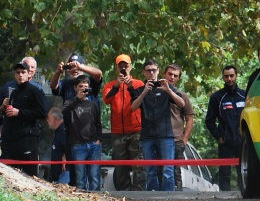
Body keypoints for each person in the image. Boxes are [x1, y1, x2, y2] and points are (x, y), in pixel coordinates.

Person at [130, 60, 185, 191]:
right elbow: (133, 107)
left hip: (165, 134)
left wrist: (168, 90)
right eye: (148, 70)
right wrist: (144, 92)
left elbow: (182, 104)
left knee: (168, 169)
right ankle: (152, 196)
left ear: (158, 71)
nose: (152, 73)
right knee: (150, 169)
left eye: (154, 70)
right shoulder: (139, 89)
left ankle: (168, 197)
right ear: (144, 72)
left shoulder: (166, 87)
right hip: (147, 135)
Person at [103, 54, 146, 191]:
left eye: (125, 66)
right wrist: (117, 85)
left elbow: (142, 101)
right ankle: (124, 193)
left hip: (135, 130)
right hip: (117, 131)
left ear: (131, 67)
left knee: (138, 164)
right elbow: (107, 100)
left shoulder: (139, 84)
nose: (123, 69)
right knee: (120, 165)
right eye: (120, 66)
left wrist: (129, 85)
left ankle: (139, 192)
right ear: (116, 68)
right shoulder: (110, 85)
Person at [0, 62, 49, 177]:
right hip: (11, 141)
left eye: (23, 72)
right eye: (18, 72)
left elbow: (42, 113)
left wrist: (19, 112)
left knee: (29, 176)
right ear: (14, 75)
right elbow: (8, 116)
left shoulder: (35, 91)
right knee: (7, 175)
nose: (20, 75)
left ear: (29, 74)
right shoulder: (14, 92)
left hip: (28, 140)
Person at [205, 65, 246, 191]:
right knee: (224, 173)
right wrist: (219, 137)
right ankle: (224, 199)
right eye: (226, 76)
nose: (229, 79)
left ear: (236, 76)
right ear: (223, 77)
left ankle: (246, 195)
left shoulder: (245, 95)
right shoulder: (217, 97)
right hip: (226, 141)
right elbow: (209, 121)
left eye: (231, 76)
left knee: (244, 171)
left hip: (243, 142)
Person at [61, 75, 103, 191]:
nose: (83, 89)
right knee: (80, 178)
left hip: (93, 144)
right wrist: (77, 99)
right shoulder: (70, 102)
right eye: (80, 86)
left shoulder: (93, 104)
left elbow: (98, 123)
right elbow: (64, 112)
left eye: (86, 87)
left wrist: (99, 139)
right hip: (78, 144)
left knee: (94, 177)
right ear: (75, 87)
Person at [164, 64, 194, 191]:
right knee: (159, 169)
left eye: (175, 75)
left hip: (176, 139)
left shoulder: (182, 96)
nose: (172, 77)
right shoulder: (154, 92)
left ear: (178, 78)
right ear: (164, 74)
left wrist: (185, 139)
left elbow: (190, 118)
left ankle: (177, 197)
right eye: (170, 74)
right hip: (158, 137)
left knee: (176, 170)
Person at [46, 108, 69, 184]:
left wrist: (65, 157)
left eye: (49, 118)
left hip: (64, 173)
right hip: (58, 174)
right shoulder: (57, 132)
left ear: (55, 118)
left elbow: (69, 145)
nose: (47, 121)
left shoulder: (63, 131)